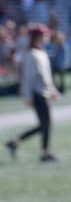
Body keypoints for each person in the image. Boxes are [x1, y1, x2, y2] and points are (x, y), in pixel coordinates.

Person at [6, 26, 60, 163]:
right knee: (46, 124)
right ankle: (45, 153)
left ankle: (15, 142)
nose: (47, 38)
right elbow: (28, 78)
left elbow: (46, 76)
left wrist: (52, 90)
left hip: (44, 92)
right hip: (37, 93)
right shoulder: (31, 54)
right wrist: (28, 96)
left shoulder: (41, 53)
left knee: (44, 124)